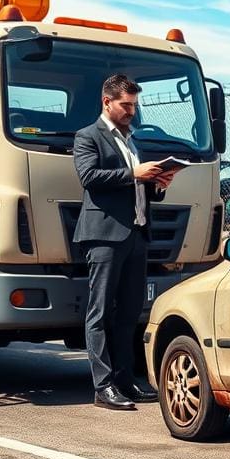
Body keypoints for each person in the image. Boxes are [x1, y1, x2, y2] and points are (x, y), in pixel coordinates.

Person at [73, 74, 177, 410]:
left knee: (130, 313)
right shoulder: (88, 136)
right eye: (126, 105)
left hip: (136, 235)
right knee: (100, 312)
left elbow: (138, 188)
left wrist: (158, 183)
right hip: (103, 235)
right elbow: (89, 178)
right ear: (107, 102)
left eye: (134, 105)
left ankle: (125, 380)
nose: (132, 111)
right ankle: (103, 387)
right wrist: (135, 174)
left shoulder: (132, 142)